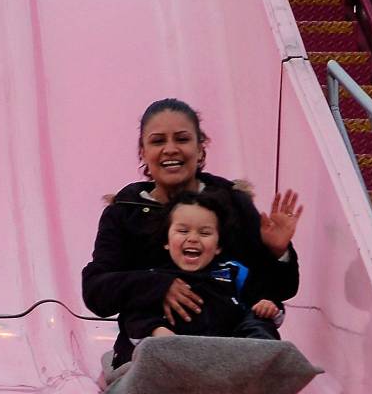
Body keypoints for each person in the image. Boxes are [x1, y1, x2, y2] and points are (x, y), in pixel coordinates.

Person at [82, 97, 304, 368]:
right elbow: (96, 292)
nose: (170, 149)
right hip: (158, 344)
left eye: (182, 139)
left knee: (259, 328)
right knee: (147, 332)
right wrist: (156, 285)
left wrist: (277, 253)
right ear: (143, 152)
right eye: (158, 141)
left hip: (226, 340)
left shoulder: (231, 203)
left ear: (200, 148)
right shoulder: (124, 212)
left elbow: (273, 290)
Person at [117, 189, 286, 355]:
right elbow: (135, 315)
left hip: (229, 356)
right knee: (152, 343)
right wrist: (157, 331)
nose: (193, 238)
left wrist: (269, 306)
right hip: (176, 356)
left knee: (258, 319)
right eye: (183, 231)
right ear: (166, 241)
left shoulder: (234, 272)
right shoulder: (154, 278)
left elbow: (263, 294)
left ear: (218, 245)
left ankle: (260, 356)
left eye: (205, 233)